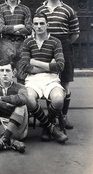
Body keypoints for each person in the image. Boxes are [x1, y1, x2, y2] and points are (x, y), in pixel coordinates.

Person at [36, 0, 80, 129]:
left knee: (65, 82)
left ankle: (64, 116)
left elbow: (75, 33)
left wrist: (62, 45)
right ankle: (52, 119)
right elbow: (36, 30)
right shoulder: (40, 10)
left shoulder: (68, 10)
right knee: (50, 83)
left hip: (64, 45)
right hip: (47, 47)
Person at [21, 12, 68, 144]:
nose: (39, 26)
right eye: (36, 24)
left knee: (58, 99)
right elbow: (25, 66)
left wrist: (35, 62)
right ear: (32, 26)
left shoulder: (55, 42)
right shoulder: (27, 42)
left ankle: (48, 125)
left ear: (47, 25)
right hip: (33, 79)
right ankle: (49, 127)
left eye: (42, 23)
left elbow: (60, 66)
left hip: (51, 78)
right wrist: (49, 65)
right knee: (28, 98)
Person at [0, 0, 32, 83]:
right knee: (5, 72)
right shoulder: (0, 8)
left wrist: (11, 29)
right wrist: (19, 26)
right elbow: (2, 28)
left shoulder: (25, 9)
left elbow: (29, 29)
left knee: (22, 73)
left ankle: (22, 96)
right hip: (5, 43)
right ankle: (5, 96)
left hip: (22, 43)